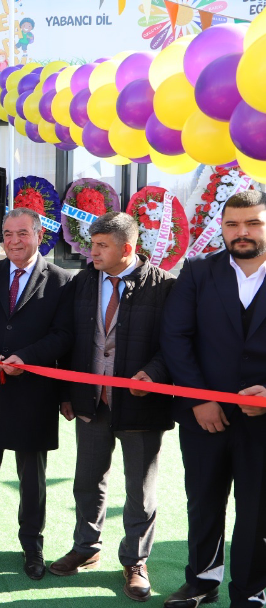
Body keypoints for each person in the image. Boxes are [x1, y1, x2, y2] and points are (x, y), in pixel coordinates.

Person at [50, 212, 175, 601]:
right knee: (88, 481)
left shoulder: (165, 286)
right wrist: (66, 393)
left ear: (128, 248)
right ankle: (86, 547)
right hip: (91, 403)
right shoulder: (82, 282)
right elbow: (67, 339)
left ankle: (135, 561)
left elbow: (176, 343)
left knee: (139, 489)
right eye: (92, 244)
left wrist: (152, 374)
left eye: (102, 245)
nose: (94, 252)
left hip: (142, 407)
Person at [0, 208, 73, 580]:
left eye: (22, 233)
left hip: (33, 390)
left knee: (32, 474)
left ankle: (32, 541)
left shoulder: (62, 280)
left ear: (39, 235)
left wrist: (29, 357)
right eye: (7, 234)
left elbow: (63, 334)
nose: (14, 241)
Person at [161, 190, 266, 608]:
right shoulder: (198, 272)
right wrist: (199, 400)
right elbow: (175, 337)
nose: (242, 233)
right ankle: (203, 579)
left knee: (257, 509)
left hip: (263, 419)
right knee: (204, 499)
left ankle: (251, 589)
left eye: (253, 223)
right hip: (205, 416)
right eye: (232, 224)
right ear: (221, 227)